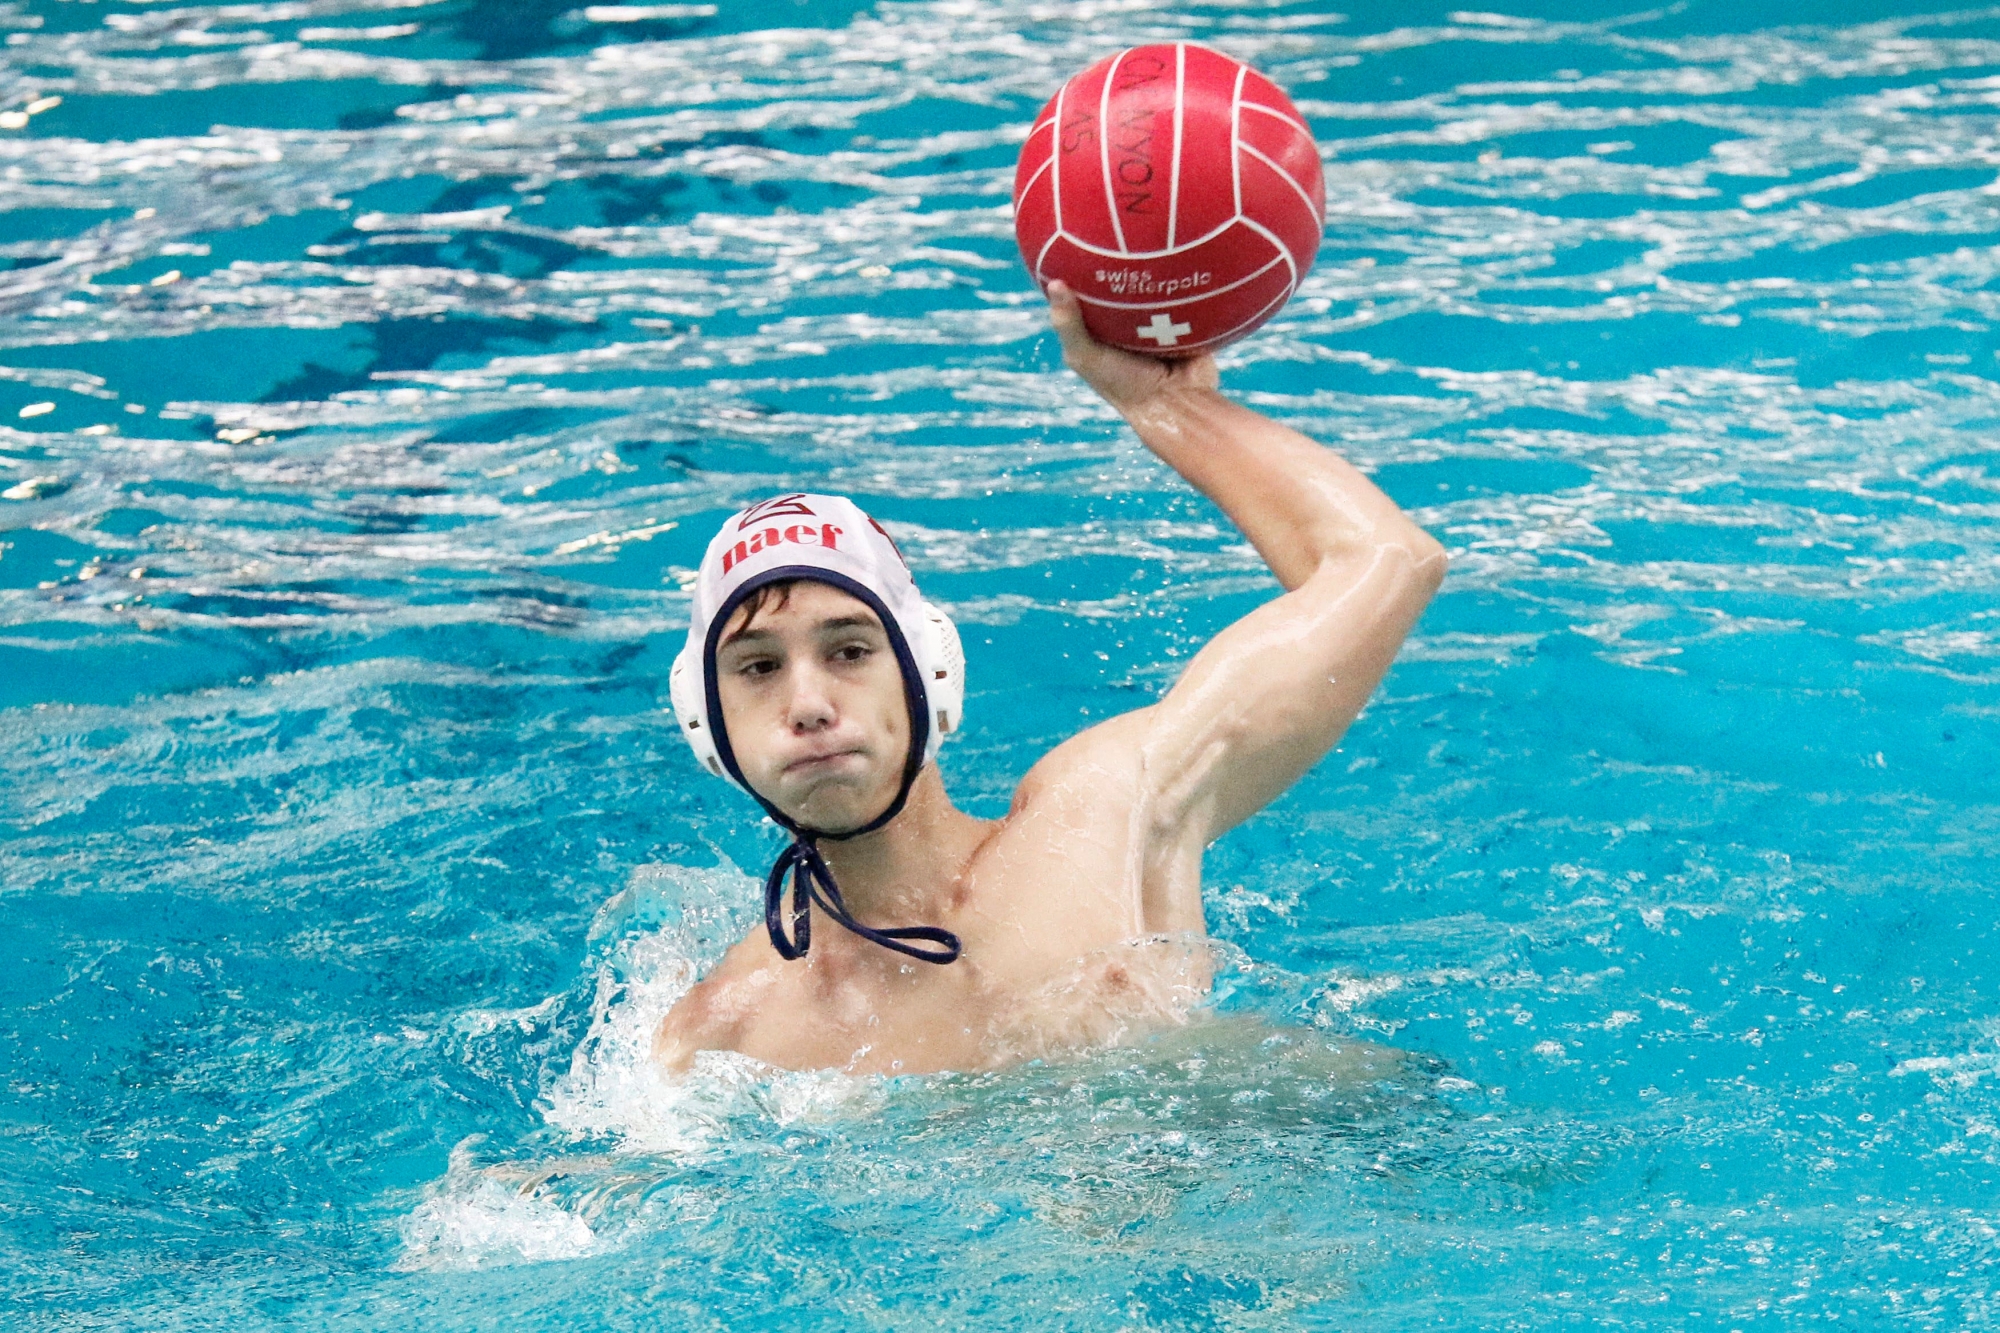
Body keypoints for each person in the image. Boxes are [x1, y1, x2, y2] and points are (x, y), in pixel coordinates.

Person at [653, 281, 1447, 1076]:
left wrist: (1166, 409)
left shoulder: (1110, 812)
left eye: (851, 649)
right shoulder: (723, 1038)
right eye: (758, 666)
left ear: (929, 671)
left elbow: (1386, 561)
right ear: (706, 721)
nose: (809, 704)